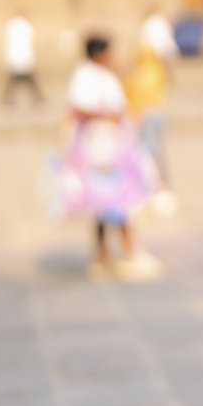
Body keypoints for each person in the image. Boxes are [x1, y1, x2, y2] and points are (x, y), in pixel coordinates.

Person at [55, 36, 162, 280]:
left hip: (114, 145)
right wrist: (106, 116)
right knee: (107, 203)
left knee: (117, 202)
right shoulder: (84, 76)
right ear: (98, 54)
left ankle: (120, 252)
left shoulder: (105, 75)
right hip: (96, 148)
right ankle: (113, 253)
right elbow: (77, 108)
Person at [123, 43, 170, 183]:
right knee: (156, 151)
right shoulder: (158, 71)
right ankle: (161, 181)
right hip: (159, 113)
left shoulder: (142, 74)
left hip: (146, 116)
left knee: (149, 152)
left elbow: (141, 98)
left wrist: (137, 117)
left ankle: (157, 183)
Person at [3, 10, 45, 106]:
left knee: (14, 78)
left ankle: (7, 98)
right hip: (24, 55)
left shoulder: (11, 25)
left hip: (13, 56)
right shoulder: (26, 26)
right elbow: (32, 41)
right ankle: (37, 97)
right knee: (28, 77)